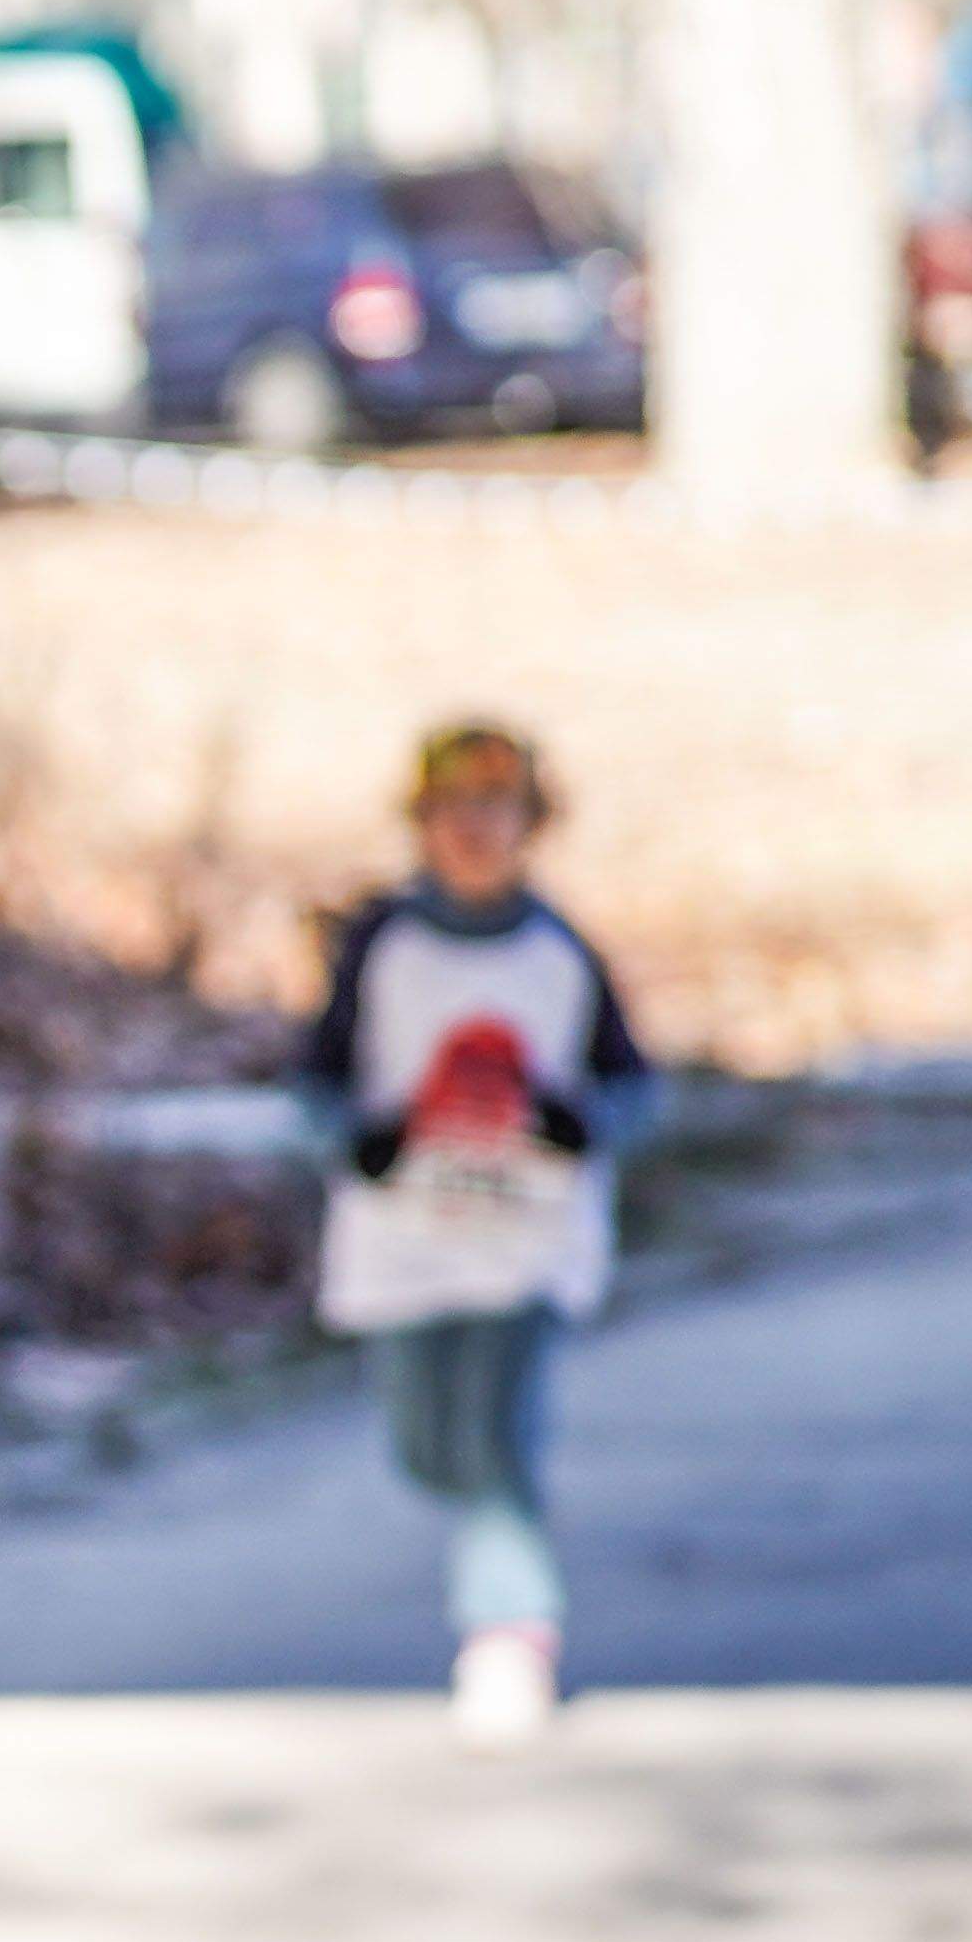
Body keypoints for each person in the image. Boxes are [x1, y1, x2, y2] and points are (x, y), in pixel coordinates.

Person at [295, 718, 655, 1742]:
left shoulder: (559, 951)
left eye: (496, 810)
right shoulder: (384, 946)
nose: (475, 832)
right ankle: (500, 1543)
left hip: (526, 1237)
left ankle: (508, 1629)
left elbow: (632, 1086)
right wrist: (351, 1139)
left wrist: (578, 1127)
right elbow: (316, 1080)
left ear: (530, 824)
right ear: (424, 824)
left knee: (495, 1439)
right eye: (456, 811)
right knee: (427, 1447)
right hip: (404, 1236)